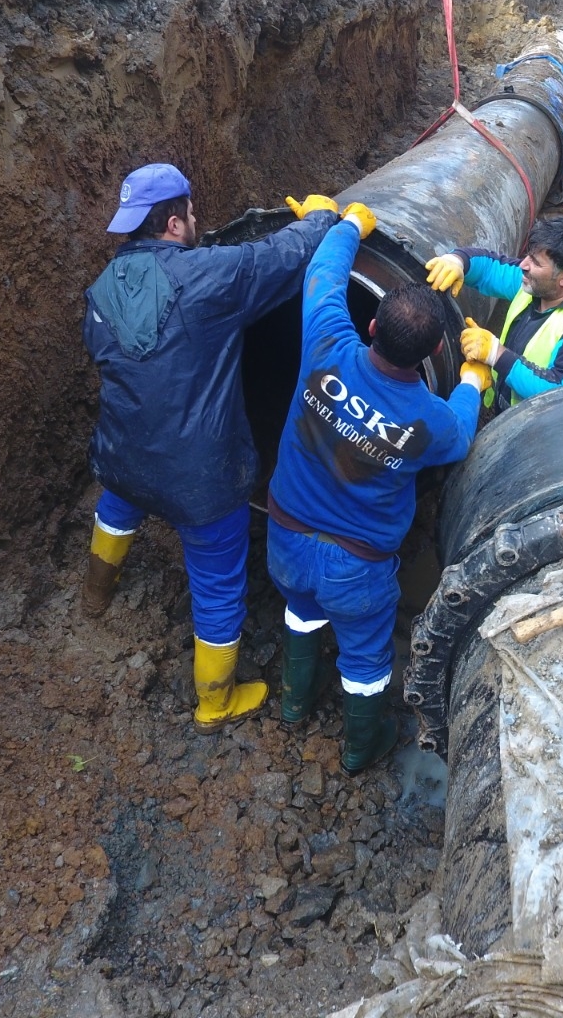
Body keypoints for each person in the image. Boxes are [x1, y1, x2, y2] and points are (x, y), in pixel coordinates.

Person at [81, 162, 342, 733]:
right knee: (219, 582)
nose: (197, 223)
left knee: (117, 507)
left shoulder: (99, 291)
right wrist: (323, 216)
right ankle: (215, 700)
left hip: (122, 457)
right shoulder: (209, 277)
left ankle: (95, 594)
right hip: (199, 479)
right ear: (175, 223)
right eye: (192, 215)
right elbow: (279, 257)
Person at [265, 202, 490, 773]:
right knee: (365, 659)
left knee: (300, 610)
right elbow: (462, 433)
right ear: (433, 352)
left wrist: (349, 225)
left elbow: (323, 276)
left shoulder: (326, 344)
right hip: (357, 566)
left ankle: (294, 703)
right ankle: (362, 746)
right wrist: (471, 381)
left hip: (286, 537)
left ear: (370, 325)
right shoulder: (428, 421)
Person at [423, 215, 563, 410]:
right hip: (513, 417)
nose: (523, 265)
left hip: (551, 435)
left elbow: (561, 394)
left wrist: (496, 354)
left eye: (536, 262)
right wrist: (458, 261)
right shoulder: (540, 285)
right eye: (528, 255)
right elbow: (490, 268)